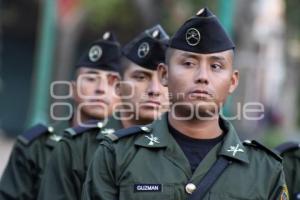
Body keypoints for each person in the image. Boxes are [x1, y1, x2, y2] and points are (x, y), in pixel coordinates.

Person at [82, 8, 288, 200]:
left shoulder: (265, 170)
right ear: (164, 74)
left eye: (216, 66)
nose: (202, 76)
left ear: (233, 81)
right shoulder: (117, 155)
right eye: (189, 63)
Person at [37, 25, 169, 200]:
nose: (154, 90)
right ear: (119, 86)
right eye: (141, 77)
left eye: (164, 79)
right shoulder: (76, 147)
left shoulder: (195, 147)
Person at [0, 31, 121, 200]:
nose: (101, 88)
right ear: (72, 89)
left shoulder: (127, 149)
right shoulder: (36, 146)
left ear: (121, 96)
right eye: (91, 78)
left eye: (111, 82)